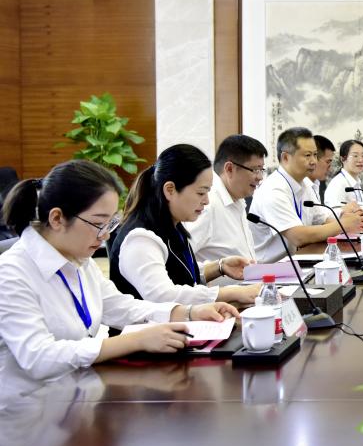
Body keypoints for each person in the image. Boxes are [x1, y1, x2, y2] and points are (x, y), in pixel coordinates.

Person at [0, 160, 239, 382]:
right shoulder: (11, 273)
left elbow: (120, 306)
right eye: (98, 223)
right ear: (57, 218)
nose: (105, 235)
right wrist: (135, 340)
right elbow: (38, 357)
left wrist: (189, 312)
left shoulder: (78, 259)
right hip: (28, 405)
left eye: (110, 223)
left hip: (77, 391)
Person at [109, 144, 261, 305]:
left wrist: (220, 267)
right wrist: (232, 292)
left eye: (208, 192)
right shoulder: (140, 238)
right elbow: (164, 295)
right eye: (201, 193)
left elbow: (180, 274)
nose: (206, 201)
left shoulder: (171, 224)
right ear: (170, 190)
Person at [249, 127, 363, 263]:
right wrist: (343, 225)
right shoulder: (273, 190)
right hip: (270, 269)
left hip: (299, 261)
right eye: (307, 155)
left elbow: (322, 219)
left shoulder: (304, 184)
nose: (313, 161)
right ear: (286, 157)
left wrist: (352, 221)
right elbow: (298, 237)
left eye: (315, 155)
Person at [185, 134, 267, 271]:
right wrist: (219, 268)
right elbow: (180, 263)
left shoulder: (238, 200)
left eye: (261, 170)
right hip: (217, 286)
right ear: (229, 169)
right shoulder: (207, 205)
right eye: (255, 170)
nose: (259, 177)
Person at [323, 139, 363, 209]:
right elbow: (334, 213)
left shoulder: (356, 182)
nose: (360, 160)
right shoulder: (337, 185)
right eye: (355, 156)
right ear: (343, 159)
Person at [309, 134, 336, 205]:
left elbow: (319, 211)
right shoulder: (297, 189)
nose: (330, 169)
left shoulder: (315, 184)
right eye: (328, 162)